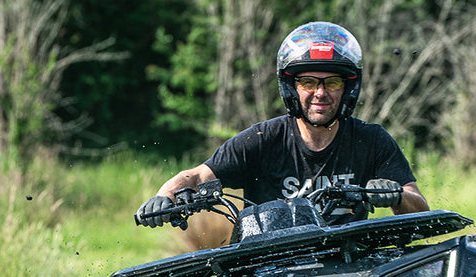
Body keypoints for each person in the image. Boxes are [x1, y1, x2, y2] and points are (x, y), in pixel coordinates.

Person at [137, 21, 429, 227]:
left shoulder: (372, 140)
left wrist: (395, 195)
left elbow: (419, 207)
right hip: (264, 267)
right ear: (292, 88)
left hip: (347, 264)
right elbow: (197, 176)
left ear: (348, 88)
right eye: (308, 82)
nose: (320, 93)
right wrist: (164, 197)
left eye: (333, 82)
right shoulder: (263, 138)